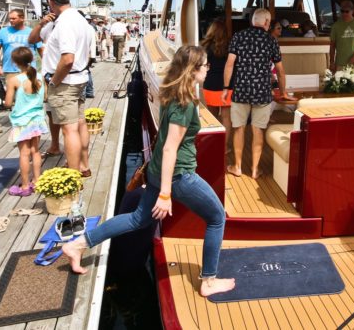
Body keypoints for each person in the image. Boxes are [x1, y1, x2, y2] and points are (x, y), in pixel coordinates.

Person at [62, 46, 236, 297]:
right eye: (205, 65)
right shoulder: (185, 104)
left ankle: (78, 244)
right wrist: (165, 194)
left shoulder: (172, 92)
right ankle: (208, 281)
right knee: (217, 217)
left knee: (137, 219)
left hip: (156, 170)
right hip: (179, 176)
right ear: (193, 69)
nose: (209, 69)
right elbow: (170, 149)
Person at [28, 0, 93, 177]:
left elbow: (67, 59)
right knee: (80, 123)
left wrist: (54, 81)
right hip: (79, 78)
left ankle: (73, 174)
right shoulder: (79, 20)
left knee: (69, 130)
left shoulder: (65, 23)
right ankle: (84, 166)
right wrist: (41, 24)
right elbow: (32, 39)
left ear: (50, 2)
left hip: (65, 82)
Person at [222, 8, 295, 179]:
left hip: (241, 91)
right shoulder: (271, 40)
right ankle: (255, 170)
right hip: (262, 92)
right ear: (267, 22)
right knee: (258, 130)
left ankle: (237, 167)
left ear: (252, 21)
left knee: (238, 128)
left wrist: (225, 88)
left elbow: (229, 64)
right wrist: (283, 92)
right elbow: (280, 71)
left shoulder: (238, 36)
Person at [4, 47, 49, 196]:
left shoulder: (14, 80)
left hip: (22, 121)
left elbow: (8, 103)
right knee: (35, 151)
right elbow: (45, 97)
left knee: (24, 154)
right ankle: (37, 181)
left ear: (15, 62)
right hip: (37, 119)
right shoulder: (40, 77)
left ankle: (24, 186)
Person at [200, 19, 234, 169]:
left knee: (212, 117)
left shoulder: (205, 46)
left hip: (210, 85)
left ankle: (214, 144)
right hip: (227, 85)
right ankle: (224, 147)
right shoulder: (230, 46)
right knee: (226, 118)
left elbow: (203, 66)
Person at [330, 0, 354, 72]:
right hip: (340, 63)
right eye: (342, 11)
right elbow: (332, 46)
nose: (344, 13)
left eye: (347, 11)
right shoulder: (335, 26)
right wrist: (331, 62)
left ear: (352, 11)